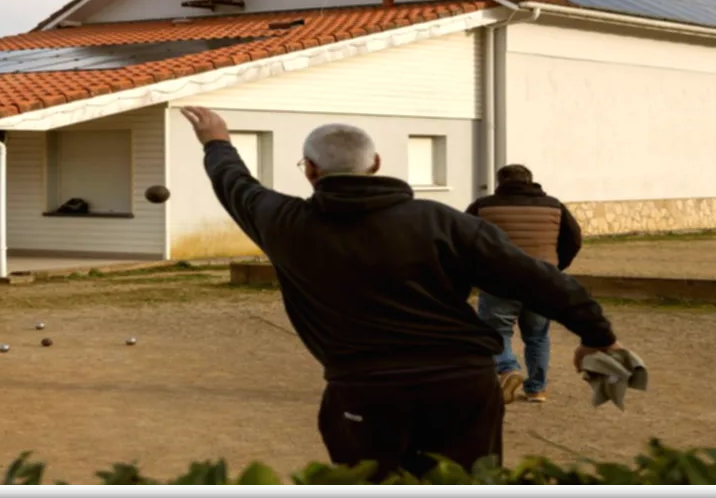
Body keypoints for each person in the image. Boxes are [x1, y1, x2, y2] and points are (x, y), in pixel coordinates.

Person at [178, 106, 622, 482]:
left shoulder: (284, 223)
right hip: (462, 388)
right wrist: (596, 335)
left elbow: (233, 184)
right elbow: (538, 279)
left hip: (364, 394)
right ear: (376, 164)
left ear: (310, 170)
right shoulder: (443, 221)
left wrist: (216, 141)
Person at [467, 164, 584, 405]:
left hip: (498, 279)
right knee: (538, 336)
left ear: (499, 181)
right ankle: (536, 389)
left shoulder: (483, 205)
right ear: (531, 181)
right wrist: (555, 267)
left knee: (497, 331)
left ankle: (509, 369)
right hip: (541, 280)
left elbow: (463, 238)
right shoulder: (553, 205)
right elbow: (573, 238)